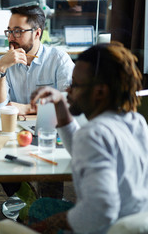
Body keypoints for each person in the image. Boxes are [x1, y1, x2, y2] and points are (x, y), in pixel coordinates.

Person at [27, 42, 148, 233]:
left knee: (39, 209)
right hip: (137, 221)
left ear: (100, 91)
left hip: (107, 227)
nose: (68, 91)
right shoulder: (136, 122)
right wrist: (60, 105)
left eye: (75, 84)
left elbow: (102, 210)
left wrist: (54, 222)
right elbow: (82, 149)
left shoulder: (93, 133)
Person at [0, 5, 74, 115]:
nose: (11, 37)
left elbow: (69, 103)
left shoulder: (59, 60)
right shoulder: (3, 62)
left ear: (37, 33)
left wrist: (28, 109)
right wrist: (0, 69)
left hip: (49, 127)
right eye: (9, 31)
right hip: (14, 127)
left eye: (18, 31)